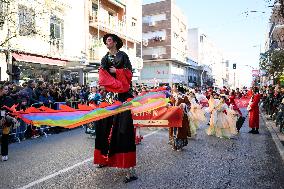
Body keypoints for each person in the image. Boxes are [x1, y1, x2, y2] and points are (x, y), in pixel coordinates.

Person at [94, 33, 137, 183]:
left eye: (110, 39)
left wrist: (116, 72)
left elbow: (130, 74)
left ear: (116, 42)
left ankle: (128, 170)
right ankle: (103, 158)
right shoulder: (105, 58)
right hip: (109, 98)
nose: (107, 41)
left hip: (122, 98)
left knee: (124, 130)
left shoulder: (123, 56)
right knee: (102, 127)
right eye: (106, 40)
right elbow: (102, 75)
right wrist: (105, 85)